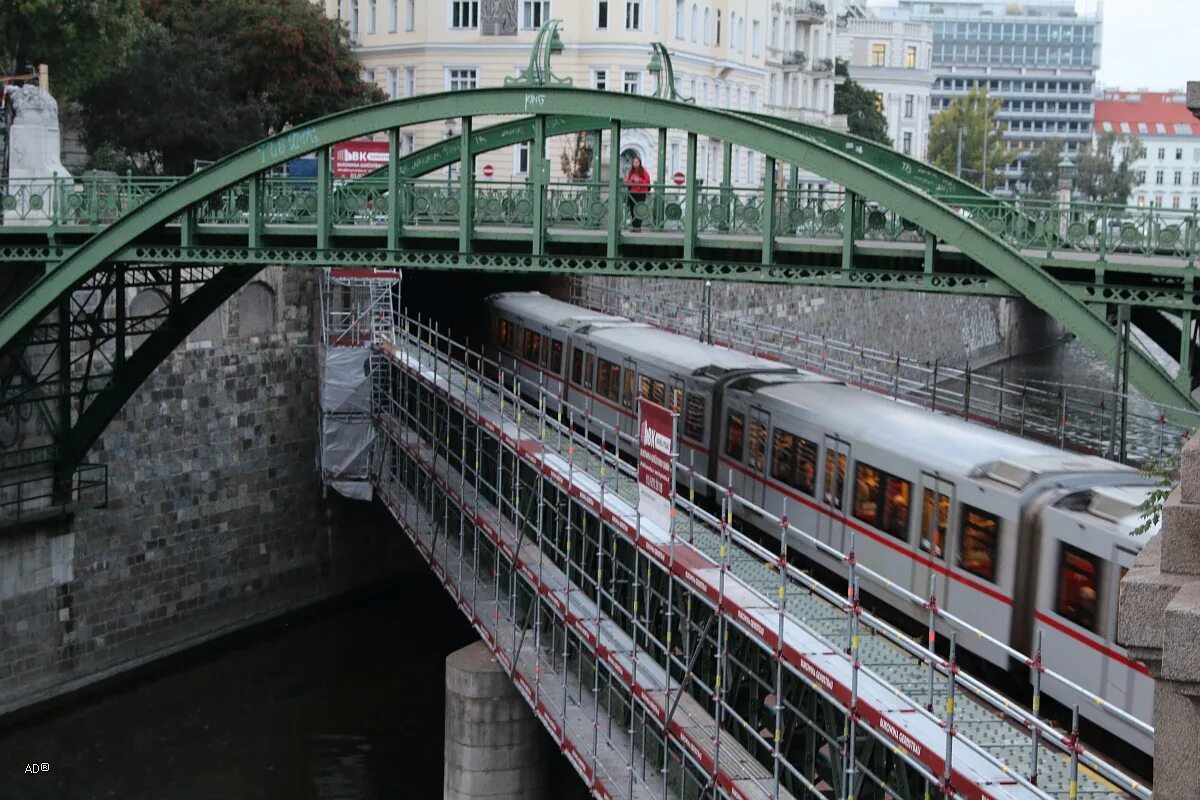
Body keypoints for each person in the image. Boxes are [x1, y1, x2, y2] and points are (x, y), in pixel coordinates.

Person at [624, 157, 651, 231]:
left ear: (640, 163)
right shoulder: (631, 172)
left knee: (639, 209)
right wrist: (631, 181)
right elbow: (626, 181)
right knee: (632, 209)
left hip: (641, 193)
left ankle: (638, 227)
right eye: (634, 162)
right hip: (632, 193)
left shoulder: (644, 172)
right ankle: (634, 226)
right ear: (632, 163)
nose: (636, 163)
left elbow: (648, 182)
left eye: (637, 162)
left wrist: (640, 180)